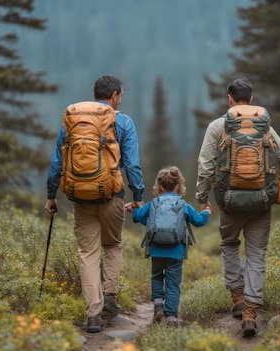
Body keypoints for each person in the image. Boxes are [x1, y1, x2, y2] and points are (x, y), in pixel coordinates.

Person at [44, 75, 145, 333]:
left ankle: (93, 316)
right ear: (113, 96)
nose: (121, 99)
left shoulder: (73, 122)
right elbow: (132, 164)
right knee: (112, 244)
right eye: (120, 95)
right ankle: (109, 296)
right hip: (112, 195)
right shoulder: (122, 121)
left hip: (80, 196)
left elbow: (58, 161)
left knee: (87, 253)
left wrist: (51, 194)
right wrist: (138, 195)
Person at [195, 77, 280, 337]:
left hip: (229, 202)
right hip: (261, 201)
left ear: (229, 98)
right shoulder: (265, 126)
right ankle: (250, 313)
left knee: (229, 245)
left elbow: (205, 166)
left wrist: (202, 197)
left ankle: (237, 298)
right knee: (257, 253)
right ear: (251, 99)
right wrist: (274, 185)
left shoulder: (218, 126)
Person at [127, 166, 212, 326]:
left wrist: (133, 209)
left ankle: (158, 305)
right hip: (176, 251)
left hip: (156, 249)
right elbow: (199, 221)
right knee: (173, 283)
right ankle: (172, 318)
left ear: (159, 187)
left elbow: (138, 216)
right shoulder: (183, 204)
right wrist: (206, 211)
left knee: (156, 276)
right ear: (178, 185)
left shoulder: (153, 203)